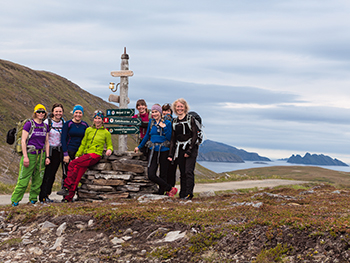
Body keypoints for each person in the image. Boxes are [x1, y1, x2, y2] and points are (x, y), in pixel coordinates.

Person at [57, 110, 113, 202]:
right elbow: (83, 144)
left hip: (95, 155)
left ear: (102, 120)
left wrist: (110, 149)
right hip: (86, 155)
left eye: (99, 118)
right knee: (77, 176)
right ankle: (68, 198)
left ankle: (66, 187)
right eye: (96, 118)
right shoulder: (88, 130)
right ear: (93, 119)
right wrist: (78, 154)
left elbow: (109, 144)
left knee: (72, 164)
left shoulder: (106, 132)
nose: (97, 120)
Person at [11, 104, 50, 206]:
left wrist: (47, 157)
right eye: (39, 112)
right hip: (30, 154)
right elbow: (23, 141)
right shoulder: (29, 124)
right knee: (24, 179)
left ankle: (33, 200)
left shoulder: (46, 126)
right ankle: (15, 201)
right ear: (35, 113)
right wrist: (26, 157)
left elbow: (47, 142)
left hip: (41, 155)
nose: (41, 114)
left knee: (38, 179)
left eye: (43, 112)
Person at [134, 104, 177, 196]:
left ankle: (161, 194)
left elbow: (170, 138)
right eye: (153, 112)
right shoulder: (151, 122)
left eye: (156, 111)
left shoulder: (168, 123)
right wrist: (139, 146)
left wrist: (164, 127)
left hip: (164, 150)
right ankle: (170, 188)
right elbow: (147, 136)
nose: (154, 114)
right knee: (151, 174)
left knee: (163, 174)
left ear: (160, 112)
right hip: (152, 150)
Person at [168, 98, 198, 200]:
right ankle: (182, 194)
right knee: (182, 172)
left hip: (191, 148)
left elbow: (195, 135)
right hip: (179, 149)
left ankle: (189, 194)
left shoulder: (190, 119)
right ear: (175, 108)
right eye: (178, 107)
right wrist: (171, 154)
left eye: (181, 106)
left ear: (185, 107)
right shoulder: (174, 121)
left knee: (188, 171)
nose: (179, 108)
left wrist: (189, 150)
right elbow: (173, 139)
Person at [39, 103, 65, 203]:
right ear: (53, 112)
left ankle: (47, 195)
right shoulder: (47, 122)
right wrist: (47, 155)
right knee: (47, 174)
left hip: (59, 151)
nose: (58, 113)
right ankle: (42, 196)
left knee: (53, 174)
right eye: (56, 111)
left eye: (60, 111)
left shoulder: (63, 122)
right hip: (49, 150)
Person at [61, 105, 89, 188]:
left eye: (80, 113)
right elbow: (63, 139)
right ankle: (65, 192)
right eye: (76, 112)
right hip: (69, 151)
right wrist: (65, 154)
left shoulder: (85, 125)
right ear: (73, 113)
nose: (78, 114)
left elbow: (88, 138)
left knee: (77, 173)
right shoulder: (68, 124)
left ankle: (73, 191)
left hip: (80, 153)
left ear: (82, 114)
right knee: (67, 173)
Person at [162, 103, 176, 187]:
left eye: (168, 110)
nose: (165, 112)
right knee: (164, 171)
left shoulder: (174, 121)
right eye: (164, 110)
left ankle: (171, 189)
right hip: (163, 148)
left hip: (172, 149)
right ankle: (165, 188)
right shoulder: (159, 120)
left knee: (171, 170)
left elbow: (171, 136)